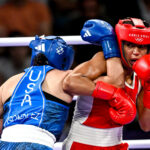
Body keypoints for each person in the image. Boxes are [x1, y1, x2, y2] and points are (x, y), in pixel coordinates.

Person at [62, 19, 140, 150]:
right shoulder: (101, 60)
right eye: (130, 45)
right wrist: (112, 93)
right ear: (120, 45)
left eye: (141, 47)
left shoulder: (142, 71)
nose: (136, 52)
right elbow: (69, 82)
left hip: (116, 144)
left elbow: (146, 125)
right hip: (83, 144)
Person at [0, 36, 75, 150]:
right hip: (39, 144)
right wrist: (108, 45)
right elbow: (106, 81)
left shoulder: (9, 83)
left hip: (5, 143)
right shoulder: (66, 77)